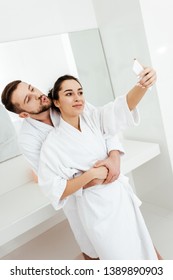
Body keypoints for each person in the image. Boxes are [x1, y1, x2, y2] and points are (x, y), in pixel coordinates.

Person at [1, 66, 160, 259]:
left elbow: (106, 125)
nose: (37, 95)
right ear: (24, 114)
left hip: (112, 186)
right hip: (82, 200)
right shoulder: (29, 140)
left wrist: (114, 158)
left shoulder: (69, 102)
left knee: (142, 243)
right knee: (95, 250)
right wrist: (92, 177)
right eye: (28, 98)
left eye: (32, 88)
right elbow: (52, 180)